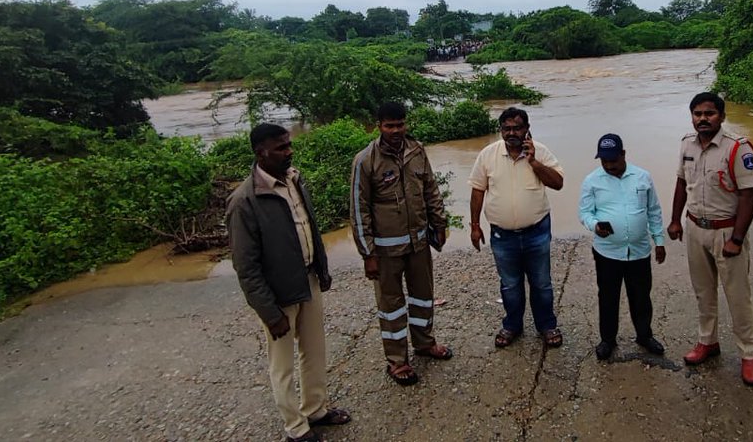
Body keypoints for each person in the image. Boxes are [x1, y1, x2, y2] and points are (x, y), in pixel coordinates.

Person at [228, 123, 350, 442]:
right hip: (277, 294)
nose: (288, 151)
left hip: (307, 279)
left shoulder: (295, 179)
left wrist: (321, 270)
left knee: (314, 350)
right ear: (260, 152)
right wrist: (270, 312)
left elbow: (309, 227)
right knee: (281, 365)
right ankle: (295, 428)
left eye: (288, 145)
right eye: (280, 147)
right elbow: (246, 267)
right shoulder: (245, 201)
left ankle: (316, 410)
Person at [666, 92, 753, 386]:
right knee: (703, 292)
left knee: (737, 297)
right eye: (697, 114)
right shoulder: (687, 145)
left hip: (726, 231)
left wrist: (737, 238)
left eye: (709, 113)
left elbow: (750, 194)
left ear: (721, 116)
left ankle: (750, 355)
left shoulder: (737, 148)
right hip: (696, 228)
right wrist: (675, 220)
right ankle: (707, 342)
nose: (702, 119)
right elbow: (682, 182)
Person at [351, 101, 453, 386]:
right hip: (385, 251)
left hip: (418, 244)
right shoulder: (365, 161)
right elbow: (359, 210)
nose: (396, 130)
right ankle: (397, 361)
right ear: (378, 126)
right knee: (392, 306)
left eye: (400, 124)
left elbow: (430, 189)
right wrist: (367, 254)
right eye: (390, 126)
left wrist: (440, 224)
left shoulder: (417, 151)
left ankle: (425, 343)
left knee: (423, 297)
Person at [468, 107, 566, 349]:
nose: (512, 132)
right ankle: (512, 325)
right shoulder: (487, 155)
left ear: (527, 129)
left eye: (517, 128)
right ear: (501, 130)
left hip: (537, 232)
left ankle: (547, 325)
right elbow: (477, 191)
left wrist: (533, 162)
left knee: (541, 283)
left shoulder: (540, 151)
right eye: (507, 128)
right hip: (502, 236)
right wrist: (474, 226)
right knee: (510, 284)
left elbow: (558, 183)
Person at [578, 133, 667, 361]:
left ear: (624, 154)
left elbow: (654, 211)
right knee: (608, 297)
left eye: (613, 160)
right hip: (607, 252)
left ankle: (644, 336)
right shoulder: (592, 181)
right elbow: (585, 213)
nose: (609, 165)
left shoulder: (643, 177)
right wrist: (595, 225)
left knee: (641, 297)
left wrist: (659, 241)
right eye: (604, 161)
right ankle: (607, 339)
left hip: (639, 251)